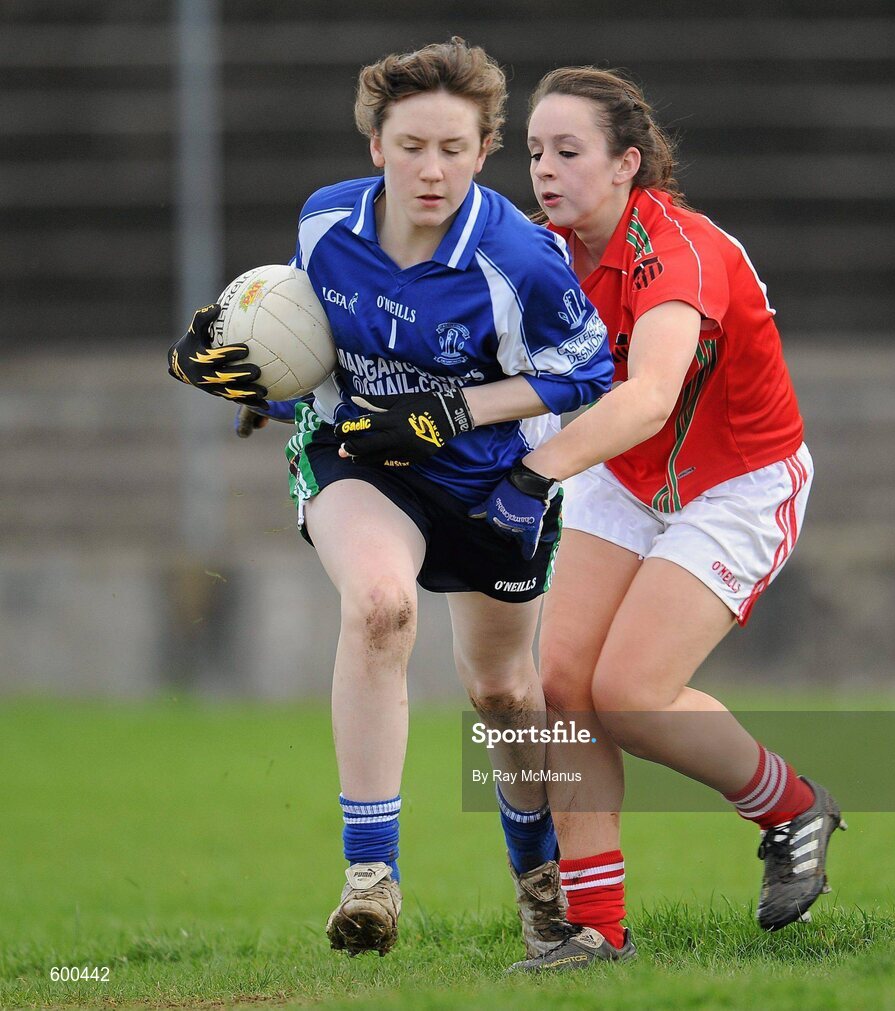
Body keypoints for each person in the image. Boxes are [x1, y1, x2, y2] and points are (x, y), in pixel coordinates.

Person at [341, 64, 846, 973]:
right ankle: (597, 931)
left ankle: (791, 806)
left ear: (628, 164)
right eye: (535, 151)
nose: (546, 170)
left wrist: (531, 478)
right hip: (621, 475)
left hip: (736, 483)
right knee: (565, 688)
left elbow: (650, 396)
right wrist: (300, 383)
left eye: (569, 152)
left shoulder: (678, 250)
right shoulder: (541, 248)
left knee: (632, 695)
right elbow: (445, 345)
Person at [166, 39, 613, 960]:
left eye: (454, 147)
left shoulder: (518, 258)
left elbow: (588, 374)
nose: (431, 169)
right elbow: (312, 348)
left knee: (503, 692)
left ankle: (541, 888)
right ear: (376, 144)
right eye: (411, 145)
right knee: (380, 607)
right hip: (359, 463)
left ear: (485, 149)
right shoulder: (326, 223)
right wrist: (262, 386)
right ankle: (370, 876)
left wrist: (450, 409)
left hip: (489, 486)